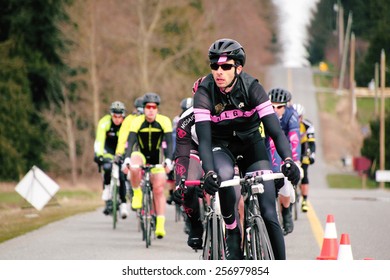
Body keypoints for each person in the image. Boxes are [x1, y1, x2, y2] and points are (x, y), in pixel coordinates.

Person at [193, 38, 301, 260]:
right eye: (214, 66)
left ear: (238, 68)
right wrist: (209, 173)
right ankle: (232, 228)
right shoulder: (204, 92)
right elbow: (203, 141)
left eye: (225, 66)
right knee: (223, 177)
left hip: (252, 146)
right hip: (220, 146)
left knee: (270, 213)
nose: (219, 72)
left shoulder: (252, 88)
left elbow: (276, 132)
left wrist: (289, 160)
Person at [122, 93, 174, 239]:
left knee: (158, 190)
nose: (151, 110)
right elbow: (131, 142)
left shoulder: (164, 121)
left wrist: (169, 160)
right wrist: (126, 159)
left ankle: (160, 224)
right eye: (148, 107)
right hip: (141, 155)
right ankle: (137, 193)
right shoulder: (137, 122)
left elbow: (170, 144)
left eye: (154, 107)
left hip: (158, 157)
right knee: (133, 161)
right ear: (143, 109)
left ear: (157, 109)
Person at [267, 87, 301, 235]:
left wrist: (295, 161)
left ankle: (286, 211)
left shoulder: (291, 115)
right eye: (272, 106)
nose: (275, 109)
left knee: (285, 181)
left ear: (286, 106)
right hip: (268, 146)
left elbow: (294, 140)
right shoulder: (265, 113)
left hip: (285, 148)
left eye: (279, 107)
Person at [94, 101, 129, 218]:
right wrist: (99, 154)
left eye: (120, 116)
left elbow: (131, 141)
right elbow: (99, 140)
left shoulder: (127, 124)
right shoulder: (105, 122)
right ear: (111, 115)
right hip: (108, 150)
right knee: (107, 167)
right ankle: (107, 189)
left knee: (122, 175)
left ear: (123, 116)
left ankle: (124, 203)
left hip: (121, 152)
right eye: (115, 116)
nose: (117, 119)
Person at [166, 97, 194, 205]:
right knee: (175, 166)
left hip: (195, 144)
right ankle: (171, 191)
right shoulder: (177, 119)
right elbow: (174, 137)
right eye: (184, 109)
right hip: (181, 143)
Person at [293, 103, 316, 213]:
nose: (298, 119)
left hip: (303, 149)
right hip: (292, 148)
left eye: (299, 117)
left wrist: (312, 155)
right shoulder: (287, 122)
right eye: (295, 116)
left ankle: (305, 200)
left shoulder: (307, 125)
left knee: (304, 173)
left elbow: (312, 143)